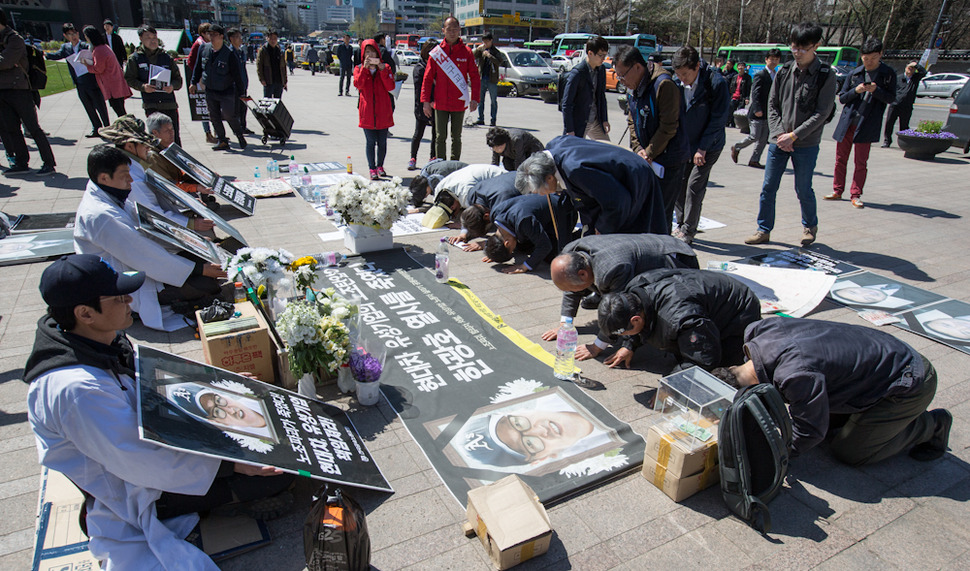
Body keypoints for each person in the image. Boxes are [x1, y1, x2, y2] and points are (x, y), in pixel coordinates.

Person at [25, 254, 294, 570]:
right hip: (129, 486)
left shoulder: (93, 336)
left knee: (261, 424)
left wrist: (215, 384)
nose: (130, 300)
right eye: (119, 296)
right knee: (273, 475)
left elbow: (147, 375)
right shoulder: (76, 390)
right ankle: (213, 504)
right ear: (85, 313)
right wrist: (230, 465)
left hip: (146, 447)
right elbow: (142, 461)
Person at [715, 318, 952, 465]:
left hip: (908, 380)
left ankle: (931, 426)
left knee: (850, 452)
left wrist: (774, 455)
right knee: (824, 422)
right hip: (881, 354)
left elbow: (809, 432)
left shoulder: (795, 375)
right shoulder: (757, 331)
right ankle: (871, 419)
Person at [74, 145, 225, 331]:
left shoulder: (107, 192)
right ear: (104, 177)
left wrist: (192, 243)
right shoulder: (100, 215)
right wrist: (200, 269)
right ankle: (142, 307)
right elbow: (142, 254)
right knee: (206, 283)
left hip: (144, 261)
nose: (130, 180)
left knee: (209, 255)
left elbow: (149, 226)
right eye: (124, 175)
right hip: (124, 279)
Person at [745, 22, 836, 247]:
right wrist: (778, 134)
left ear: (816, 46)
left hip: (806, 143)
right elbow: (772, 105)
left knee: (803, 187)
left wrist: (794, 135)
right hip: (779, 141)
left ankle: (809, 226)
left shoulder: (826, 75)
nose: (797, 53)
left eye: (803, 48)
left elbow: (822, 113)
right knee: (768, 187)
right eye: (794, 47)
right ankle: (763, 229)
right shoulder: (784, 71)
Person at [540, 234, 699, 360]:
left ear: (583, 274)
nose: (570, 292)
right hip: (650, 247)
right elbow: (571, 291)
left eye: (571, 287)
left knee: (659, 311)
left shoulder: (612, 270)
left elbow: (623, 310)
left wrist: (598, 346)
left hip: (676, 258)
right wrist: (565, 323)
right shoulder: (570, 254)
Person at [596, 268, 761, 370]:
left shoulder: (680, 318)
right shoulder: (633, 294)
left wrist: (670, 387)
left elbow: (703, 358)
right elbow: (638, 320)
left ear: (636, 320)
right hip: (702, 298)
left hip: (738, 310)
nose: (624, 337)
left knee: (723, 372)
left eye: (623, 333)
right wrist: (629, 345)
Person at [517, 136, 666, 235]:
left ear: (549, 178)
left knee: (634, 230)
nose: (542, 195)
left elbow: (618, 202)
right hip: (614, 181)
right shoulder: (552, 150)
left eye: (539, 190)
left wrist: (602, 229)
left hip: (634, 178)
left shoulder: (576, 170)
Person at [614, 45, 689, 234]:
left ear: (638, 67)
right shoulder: (634, 86)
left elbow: (669, 126)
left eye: (623, 75)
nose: (621, 80)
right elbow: (632, 120)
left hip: (668, 160)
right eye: (618, 76)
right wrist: (638, 148)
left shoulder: (663, 84)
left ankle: (662, 254)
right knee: (643, 210)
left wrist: (649, 152)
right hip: (646, 158)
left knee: (660, 214)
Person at [99, 114, 213, 233]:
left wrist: (186, 201)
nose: (148, 148)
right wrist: (190, 224)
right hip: (156, 229)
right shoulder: (131, 178)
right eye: (144, 144)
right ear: (130, 147)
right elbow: (153, 214)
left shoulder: (135, 166)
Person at [825, 37, 896, 209]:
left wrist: (876, 90)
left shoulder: (888, 74)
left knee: (861, 162)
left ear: (880, 55)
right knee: (840, 159)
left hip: (867, 124)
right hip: (848, 122)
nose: (869, 62)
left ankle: (855, 194)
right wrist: (856, 90)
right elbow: (842, 98)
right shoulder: (854, 73)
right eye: (865, 58)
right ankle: (837, 190)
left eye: (873, 58)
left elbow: (892, 98)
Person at [669, 46, 730, 245]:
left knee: (695, 185)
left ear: (696, 67)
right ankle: (680, 223)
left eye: (685, 74)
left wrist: (702, 148)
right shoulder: (678, 83)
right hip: (686, 143)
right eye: (678, 75)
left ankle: (688, 230)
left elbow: (718, 120)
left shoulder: (715, 83)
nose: (682, 79)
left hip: (709, 144)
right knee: (679, 183)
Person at [0, 9, 56, 176]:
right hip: (2, 91)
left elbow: (5, 62)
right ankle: (21, 161)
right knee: (11, 129)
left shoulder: (14, 39)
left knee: (33, 128)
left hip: (19, 90)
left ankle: (48, 162)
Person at [420, 16, 480, 161]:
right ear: (443, 31)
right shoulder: (436, 53)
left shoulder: (466, 52)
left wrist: (475, 99)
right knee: (440, 137)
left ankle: (454, 164)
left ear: (459, 30)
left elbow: (475, 77)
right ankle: (441, 164)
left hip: (459, 103)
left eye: (455, 29)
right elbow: (427, 79)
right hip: (440, 103)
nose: (452, 32)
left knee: (456, 137)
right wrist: (425, 102)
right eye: (449, 29)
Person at [478, 193, 577, 274]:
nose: (514, 253)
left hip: (564, 213)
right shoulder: (496, 214)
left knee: (556, 256)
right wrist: (494, 252)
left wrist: (525, 266)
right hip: (542, 209)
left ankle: (580, 236)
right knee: (524, 247)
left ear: (507, 243)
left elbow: (544, 246)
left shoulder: (523, 220)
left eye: (511, 250)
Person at [124, 25, 183, 147]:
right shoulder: (135, 59)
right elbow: (129, 79)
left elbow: (178, 80)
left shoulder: (166, 57)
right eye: (148, 37)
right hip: (151, 104)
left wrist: (172, 86)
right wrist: (143, 86)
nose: (153, 40)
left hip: (169, 103)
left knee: (173, 136)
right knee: (156, 138)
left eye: (154, 37)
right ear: (141, 39)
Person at [190, 24, 247, 152]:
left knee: (229, 115)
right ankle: (222, 140)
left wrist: (241, 92)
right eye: (209, 34)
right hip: (210, 89)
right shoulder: (204, 48)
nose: (211, 37)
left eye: (214, 34)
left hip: (226, 90)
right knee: (214, 116)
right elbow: (198, 67)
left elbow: (237, 75)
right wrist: (193, 82)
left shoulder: (229, 53)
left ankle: (239, 135)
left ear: (221, 36)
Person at [47, 23, 108, 138]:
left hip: (91, 81)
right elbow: (57, 55)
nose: (73, 36)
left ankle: (106, 127)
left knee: (100, 106)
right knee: (88, 107)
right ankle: (96, 127)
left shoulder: (86, 46)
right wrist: (45, 55)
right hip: (79, 83)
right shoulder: (66, 48)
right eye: (70, 34)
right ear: (65, 36)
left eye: (74, 33)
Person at [731, 49, 782, 168]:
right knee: (755, 136)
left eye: (776, 59)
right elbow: (755, 93)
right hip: (757, 112)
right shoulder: (761, 74)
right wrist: (757, 108)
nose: (774, 62)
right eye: (772, 59)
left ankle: (754, 160)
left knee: (763, 139)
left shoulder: (776, 75)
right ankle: (737, 146)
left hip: (768, 112)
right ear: (766, 59)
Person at [355, 39, 395, 180]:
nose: (370, 55)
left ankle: (380, 166)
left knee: (382, 142)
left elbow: (391, 87)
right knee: (370, 142)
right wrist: (365, 69)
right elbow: (358, 85)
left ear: (377, 53)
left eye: (372, 52)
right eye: (367, 52)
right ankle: (372, 168)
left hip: (383, 111)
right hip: (368, 113)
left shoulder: (386, 68)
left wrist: (383, 70)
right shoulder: (359, 68)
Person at [560, 35, 610, 141]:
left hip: (596, 121)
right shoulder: (577, 73)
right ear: (590, 53)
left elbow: (601, 96)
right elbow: (566, 103)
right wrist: (569, 129)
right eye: (601, 55)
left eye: (605, 55)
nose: (603, 59)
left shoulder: (601, 70)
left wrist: (604, 119)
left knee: (606, 150)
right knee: (574, 154)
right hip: (580, 122)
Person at [453, 171, 521, 241]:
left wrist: (486, 243)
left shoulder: (502, 205)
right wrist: (464, 233)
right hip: (511, 178)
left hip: (528, 180)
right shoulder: (473, 195)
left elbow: (508, 232)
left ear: (486, 216)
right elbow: (469, 217)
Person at [82, 26, 132, 118]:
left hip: (111, 85)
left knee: (120, 112)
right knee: (121, 110)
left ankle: (128, 129)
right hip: (116, 82)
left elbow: (98, 69)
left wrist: (87, 65)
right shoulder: (105, 47)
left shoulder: (98, 50)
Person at [409, 39, 438, 170]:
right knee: (418, 133)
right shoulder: (420, 68)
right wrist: (426, 103)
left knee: (436, 134)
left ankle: (433, 157)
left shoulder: (439, 67)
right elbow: (418, 89)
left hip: (436, 105)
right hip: (422, 105)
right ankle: (413, 158)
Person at [883, 61, 927, 148]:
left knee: (904, 125)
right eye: (909, 67)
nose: (910, 70)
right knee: (889, 123)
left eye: (913, 68)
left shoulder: (915, 78)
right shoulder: (898, 78)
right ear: (905, 67)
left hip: (907, 106)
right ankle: (887, 141)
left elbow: (924, 72)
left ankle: (903, 143)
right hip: (895, 105)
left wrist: (916, 65)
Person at [187, 23, 216, 144]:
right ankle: (208, 133)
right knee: (205, 108)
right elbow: (190, 62)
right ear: (203, 33)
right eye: (209, 33)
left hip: (210, 79)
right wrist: (198, 76)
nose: (211, 35)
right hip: (202, 81)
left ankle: (216, 133)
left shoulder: (209, 44)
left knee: (213, 106)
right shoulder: (199, 44)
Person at [227, 28, 252, 135]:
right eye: (237, 37)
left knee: (243, 107)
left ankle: (243, 126)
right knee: (235, 109)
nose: (240, 39)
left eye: (240, 36)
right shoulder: (229, 52)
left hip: (243, 84)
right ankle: (237, 129)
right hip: (234, 86)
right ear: (231, 39)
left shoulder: (241, 52)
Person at [474, 32, 501, 126]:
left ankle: (493, 119)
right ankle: (480, 118)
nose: (485, 43)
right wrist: (477, 49)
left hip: (492, 79)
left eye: (487, 41)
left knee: (493, 100)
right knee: (480, 100)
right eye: (483, 41)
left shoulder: (495, 51)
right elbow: (473, 56)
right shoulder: (481, 49)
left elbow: (499, 62)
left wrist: (489, 56)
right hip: (482, 78)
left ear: (491, 41)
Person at [257, 31, 287, 99]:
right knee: (267, 101)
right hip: (268, 80)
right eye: (271, 38)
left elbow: (283, 67)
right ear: (267, 38)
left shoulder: (279, 51)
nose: (273, 40)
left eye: (275, 38)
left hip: (279, 81)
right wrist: (262, 79)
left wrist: (284, 81)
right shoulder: (263, 50)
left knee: (278, 102)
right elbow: (259, 66)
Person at [727, 62, 751, 128]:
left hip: (741, 97)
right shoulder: (735, 77)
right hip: (734, 97)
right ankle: (732, 124)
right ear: (737, 68)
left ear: (744, 68)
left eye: (742, 66)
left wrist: (747, 98)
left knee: (740, 112)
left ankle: (740, 125)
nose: (740, 68)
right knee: (731, 111)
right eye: (739, 66)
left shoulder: (747, 77)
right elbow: (731, 87)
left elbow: (748, 89)